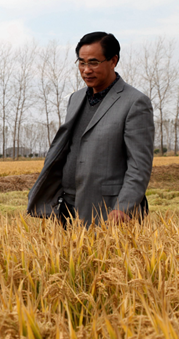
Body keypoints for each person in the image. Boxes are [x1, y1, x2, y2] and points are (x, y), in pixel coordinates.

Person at [28, 32, 155, 227]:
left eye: (94, 63)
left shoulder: (135, 102)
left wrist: (124, 206)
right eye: (81, 63)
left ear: (113, 61)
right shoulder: (75, 99)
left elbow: (139, 165)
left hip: (109, 211)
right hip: (68, 208)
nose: (86, 70)